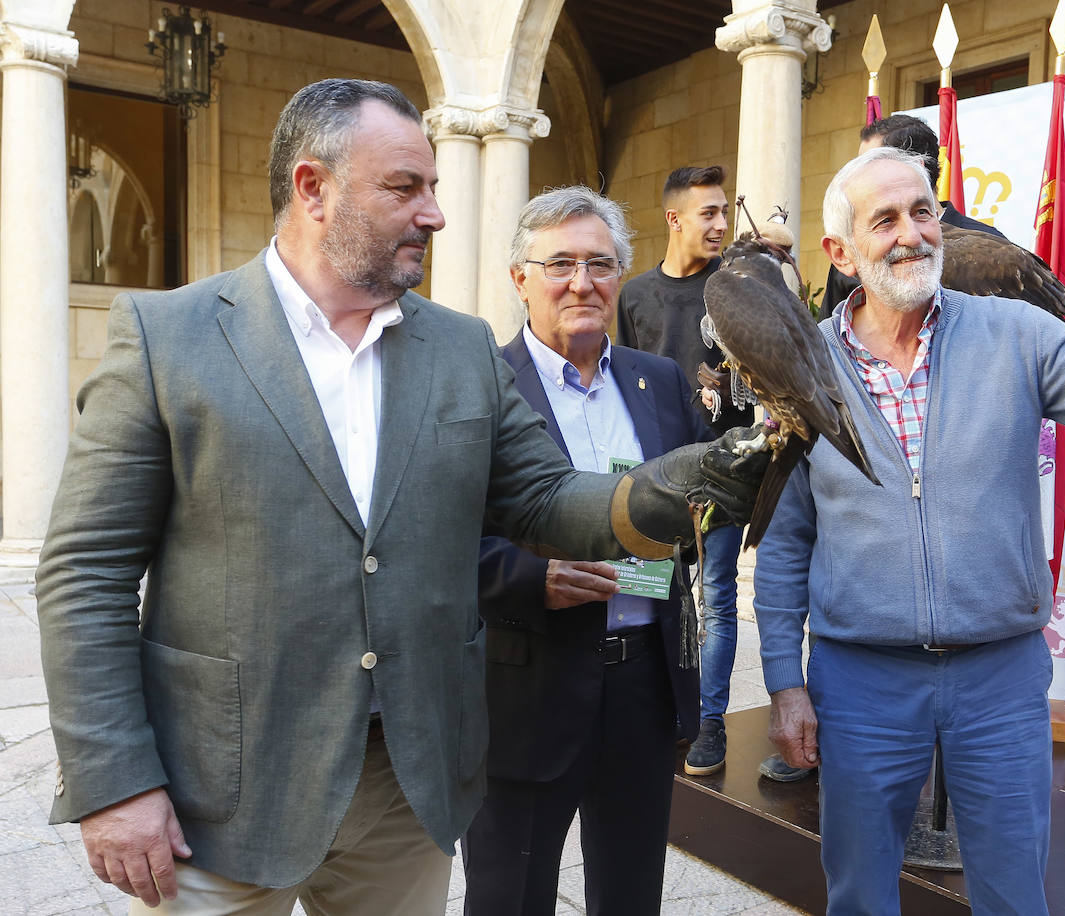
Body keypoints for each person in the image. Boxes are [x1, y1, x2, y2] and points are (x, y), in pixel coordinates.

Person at [35, 79, 761, 914]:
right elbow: (83, 577)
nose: (435, 214)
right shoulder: (168, 339)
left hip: (404, 793)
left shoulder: (456, 349)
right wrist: (114, 780)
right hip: (224, 797)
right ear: (313, 188)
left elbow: (551, 499)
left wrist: (715, 470)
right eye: (405, 188)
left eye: (434, 189)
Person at [754, 146, 1065, 915]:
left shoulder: (1017, 334)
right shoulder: (806, 368)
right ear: (839, 251)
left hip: (998, 678)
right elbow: (784, 538)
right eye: (885, 220)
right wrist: (783, 681)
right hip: (860, 681)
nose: (912, 234)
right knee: (861, 897)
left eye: (923, 212)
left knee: (1012, 896)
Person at [461, 186, 712, 914]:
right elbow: (439, 537)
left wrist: (698, 522)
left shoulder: (658, 382)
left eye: (600, 265)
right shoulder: (480, 386)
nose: (582, 283)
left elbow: (695, 506)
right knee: (511, 898)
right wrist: (529, 578)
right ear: (519, 278)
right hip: (527, 687)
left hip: (643, 684)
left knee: (631, 896)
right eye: (560, 264)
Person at [616, 165, 749, 777]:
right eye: (708, 213)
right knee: (649, 592)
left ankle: (710, 721)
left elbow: (758, 391)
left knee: (717, 597)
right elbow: (614, 379)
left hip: (723, 471)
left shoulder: (738, 287)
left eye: (724, 211)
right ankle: (648, 708)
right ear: (675, 219)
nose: (721, 224)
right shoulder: (635, 295)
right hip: (650, 477)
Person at [817, 114, 1006, 320]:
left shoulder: (993, 248)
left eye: (874, 163)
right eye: (885, 222)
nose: (911, 237)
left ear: (917, 166)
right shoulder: (854, 250)